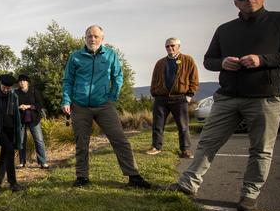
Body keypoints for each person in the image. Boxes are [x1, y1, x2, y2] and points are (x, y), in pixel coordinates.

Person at [167, 0, 280, 211]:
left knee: (261, 149)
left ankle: (249, 194)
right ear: (236, 3)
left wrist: (263, 60)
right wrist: (222, 62)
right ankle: (188, 184)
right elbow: (209, 60)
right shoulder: (225, 30)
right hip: (228, 96)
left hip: (265, 96)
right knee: (208, 142)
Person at [61, 25, 151, 189]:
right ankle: (82, 177)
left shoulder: (110, 55)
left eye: (95, 36)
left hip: (104, 106)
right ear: (85, 38)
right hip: (80, 106)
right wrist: (66, 101)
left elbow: (118, 77)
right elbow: (67, 81)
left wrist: (112, 98)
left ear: (102, 38)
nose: (92, 39)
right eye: (89, 36)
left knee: (120, 140)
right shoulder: (76, 57)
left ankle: (134, 176)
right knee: (82, 143)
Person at [146, 37, 199, 158]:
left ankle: (185, 150)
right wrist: (154, 92)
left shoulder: (187, 60)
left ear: (178, 46)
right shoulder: (160, 62)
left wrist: (190, 95)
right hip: (161, 98)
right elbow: (154, 79)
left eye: (172, 45)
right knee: (157, 125)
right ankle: (156, 147)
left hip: (180, 98)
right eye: (167, 46)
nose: (170, 48)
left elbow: (194, 78)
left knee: (183, 126)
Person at [15, 74, 49, 169]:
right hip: (21, 120)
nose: (22, 82)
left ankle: (43, 162)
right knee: (21, 141)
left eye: (23, 81)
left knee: (39, 140)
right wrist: (19, 107)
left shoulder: (34, 91)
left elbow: (40, 104)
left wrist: (29, 106)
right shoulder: (15, 93)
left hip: (34, 119)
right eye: (20, 81)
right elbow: (12, 106)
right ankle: (22, 162)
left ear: (27, 82)